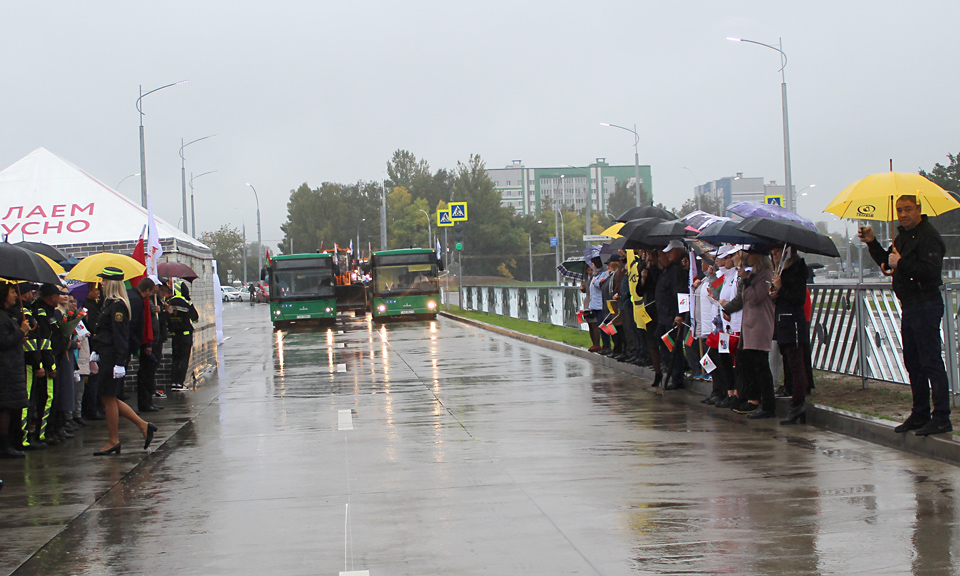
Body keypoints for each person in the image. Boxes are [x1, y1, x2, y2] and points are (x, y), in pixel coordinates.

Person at [861, 195, 951, 435]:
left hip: (926, 303)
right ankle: (920, 413)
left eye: (908, 209)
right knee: (913, 362)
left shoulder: (928, 236)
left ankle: (941, 416)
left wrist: (901, 263)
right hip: (910, 305)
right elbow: (888, 263)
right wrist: (872, 243)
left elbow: (931, 273)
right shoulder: (901, 236)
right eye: (899, 210)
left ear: (918, 209)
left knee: (931, 362)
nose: (903, 214)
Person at [90, 267, 157, 456]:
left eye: (104, 280)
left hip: (113, 356)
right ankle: (143, 426)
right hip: (106, 353)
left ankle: (113, 440)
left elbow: (121, 335)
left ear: (111, 283)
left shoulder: (118, 305)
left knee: (108, 398)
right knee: (109, 397)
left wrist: (120, 361)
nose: (101, 283)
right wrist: (96, 350)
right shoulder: (109, 303)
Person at [734, 247, 776, 418]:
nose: (748, 258)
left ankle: (767, 404)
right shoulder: (755, 276)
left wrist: (747, 281)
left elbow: (756, 297)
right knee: (749, 363)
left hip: (760, 326)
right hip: (750, 325)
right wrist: (745, 280)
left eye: (750, 255)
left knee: (761, 365)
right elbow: (744, 298)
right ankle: (753, 398)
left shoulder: (766, 275)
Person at [770, 245, 810, 424]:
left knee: (796, 363)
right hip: (783, 322)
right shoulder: (782, 271)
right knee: (788, 360)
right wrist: (775, 292)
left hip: (793, 322)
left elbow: (798, 297)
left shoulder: (797, 270)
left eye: (777, 252)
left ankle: (798, 402)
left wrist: (781, 288)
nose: (774, 256)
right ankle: (793, 396)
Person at [0, 283, 31, 458]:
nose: (14, 296)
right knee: (5, 407)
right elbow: (3, 342)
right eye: (12, 292)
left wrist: (20, 335)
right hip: (6, 369)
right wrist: (20, 332)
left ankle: (11, 441)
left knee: (10, 407)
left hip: (12, 367)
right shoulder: (2, 317)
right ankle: (5, 445)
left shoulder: (7, 316)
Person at [654, 240, 688, 390]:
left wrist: (679, 314)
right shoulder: (668, 269)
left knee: (673, 346)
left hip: (671, 314)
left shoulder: (678, 269)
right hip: (664, 315)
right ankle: (673, 367)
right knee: (661, 340)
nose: (667, 255)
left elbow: (679, 292)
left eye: (670, 252)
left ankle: (677, 376)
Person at [128, 277, 163, 413]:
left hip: (151, 340)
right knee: (145, 374)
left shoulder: (148, 300)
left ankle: (149, 401)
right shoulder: (139, 301)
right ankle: (145, 403)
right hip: (146, 342)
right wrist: (147, 343)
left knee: (150, 373)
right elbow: (142, 323)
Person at [167, 280, 199, 390]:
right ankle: (180, 383)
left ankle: (173, 382)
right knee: (184, 359)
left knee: (175, 359)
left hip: (175, 335)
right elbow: (195, 319)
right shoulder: (187, 303)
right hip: (185, 335)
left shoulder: (169, 302)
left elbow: (166, 319)